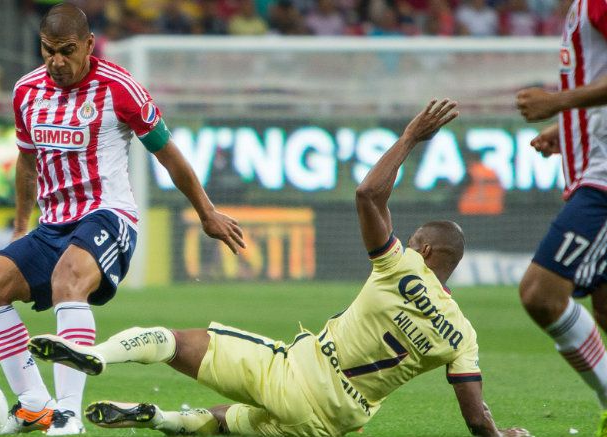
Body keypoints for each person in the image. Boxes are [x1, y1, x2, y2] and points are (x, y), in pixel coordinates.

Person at [28, 99, 530, 437]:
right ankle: (157, 417)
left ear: (423, 250)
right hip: (332, 423)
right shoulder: (462, 335)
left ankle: (97, 356)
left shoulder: (401, 269)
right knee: (234, 422)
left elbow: (368, 194)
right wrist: (503, 434)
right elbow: (476, 417)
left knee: (175, 341)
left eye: (414, 239)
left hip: (301, 372)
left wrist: (411, 137)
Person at [0, 3, 245, 435]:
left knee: (67, 279)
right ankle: (35, 405)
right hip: (52, 226)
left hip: (108, 216)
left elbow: (167, 153)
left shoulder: (119, 88)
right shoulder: (26, 91)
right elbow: (26, 161)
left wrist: (206, 213)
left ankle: (68, 415)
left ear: (89, 45)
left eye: (67, 50)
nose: (57, 61)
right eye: (47, 51)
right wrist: (21, 226)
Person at [515, 0, 607, 433]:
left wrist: (558, 101)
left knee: (541, 293)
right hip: (592, 170)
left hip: (604, 181)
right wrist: (570, 129)